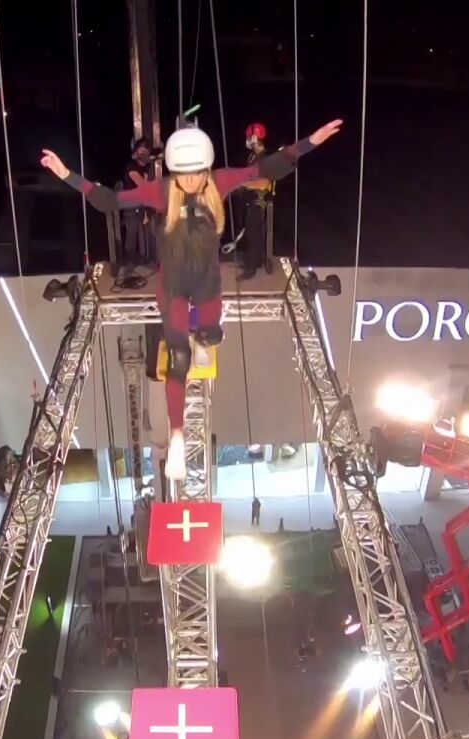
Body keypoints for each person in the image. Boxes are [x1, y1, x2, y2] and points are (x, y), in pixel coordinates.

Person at [41, 118, 343, 480]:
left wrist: (309, 142)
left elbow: (265, 169)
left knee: (212, 334)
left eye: (196, 173)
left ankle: (207, 332)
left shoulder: (219, 182)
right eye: (182, 175)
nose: (189, 181)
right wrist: (66, 175)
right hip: (173, 288)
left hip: (207, 285)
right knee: (179, 357)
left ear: (205, 168)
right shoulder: (161, 191)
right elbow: (109, 200)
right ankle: (177, 437)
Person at [238, 122, 272, 278]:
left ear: (254, 138)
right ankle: (254, 261)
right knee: (251, 233)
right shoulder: (254, 156)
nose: (247, 140)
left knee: (253, 234)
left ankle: (250, 268)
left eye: (249, 137)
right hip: (250, 200)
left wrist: (244, 183)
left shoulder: (264, 159)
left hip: (258, 202)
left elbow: (265, 183)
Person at [120, 137, 155, 267]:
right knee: (132, 234)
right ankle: (129, 264)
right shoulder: (132, 167)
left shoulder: (145, 167)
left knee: (147, 231)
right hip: (131, 206)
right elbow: (142, 185)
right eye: (141, 150)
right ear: (135, 153)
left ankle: (146, 259)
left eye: (146, 150)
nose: (144, 152)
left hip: (141, 205)